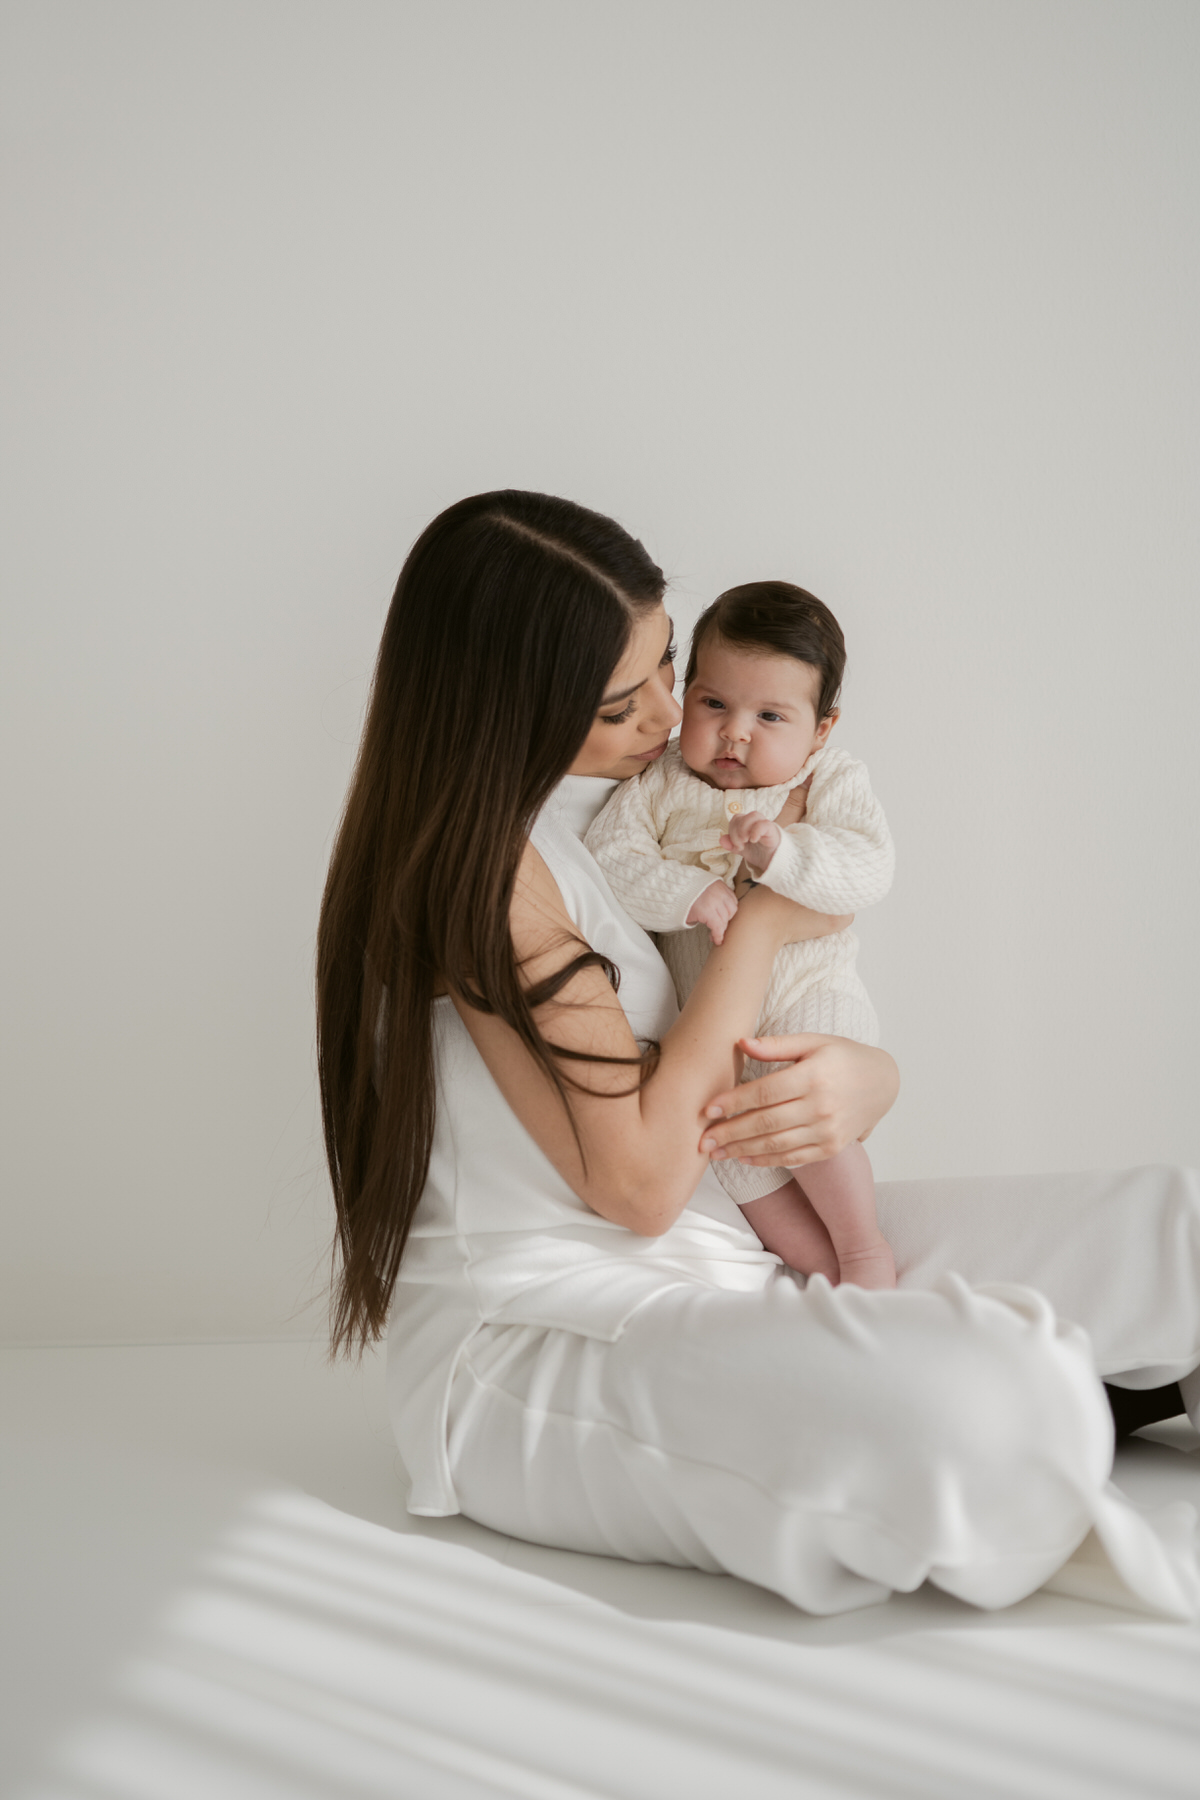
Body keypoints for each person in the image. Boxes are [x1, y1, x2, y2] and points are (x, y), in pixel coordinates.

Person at [317, 489, 1200, 1620]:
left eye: (665, 664)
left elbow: (738, 1024)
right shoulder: (481, 874)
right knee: (979, 1406)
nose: (665, 714)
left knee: (1177, 1227)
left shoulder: (627, 807)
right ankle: (1083, 1401)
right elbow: (640, 1185)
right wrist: (770, 917)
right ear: (509, 706)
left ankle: (1085, 1393)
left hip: (737, 1245)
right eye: (618, 701)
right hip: (546, 1332)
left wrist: (869, 1079)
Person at [585, 579, 896, 1288]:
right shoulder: (659, 780)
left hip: (808, 999)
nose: (735, 733)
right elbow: (611, 857)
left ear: (821, 730)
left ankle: (861, 1247)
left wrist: (785, 855)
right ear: (687, 694)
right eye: (714, 704)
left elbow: (868, 866)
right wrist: (686, 892)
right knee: (730, 1147)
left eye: (770, 716)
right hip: (715, 1034)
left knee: (795, 1098)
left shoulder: (829, 776)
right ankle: (818, 1272)